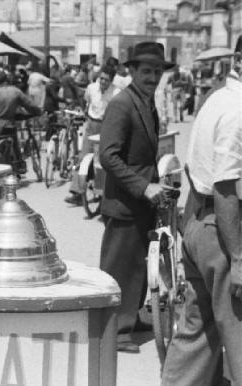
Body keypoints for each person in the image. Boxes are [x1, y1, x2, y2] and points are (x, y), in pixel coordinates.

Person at [156, 42, 242, 386]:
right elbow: (226, 188)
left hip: (200, 224)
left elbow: (194, 169)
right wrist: (238, 258)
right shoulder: (238, 110)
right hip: (225, 231)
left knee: (195, 334)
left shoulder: (216, 100)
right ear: (239, 61)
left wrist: (189, 230)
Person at [98, 42, 175, 353]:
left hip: (143, 199)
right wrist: (143, 187)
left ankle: (131, 317)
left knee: (142, 263)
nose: (152, 77)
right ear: (130, 71)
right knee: (120, 266)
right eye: (146, 71)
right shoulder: (122, 104)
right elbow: (108, 156)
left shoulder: (147, 102)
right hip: (126, 200)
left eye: (157, 72)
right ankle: (115, 331)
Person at [65, 64, 120, 205]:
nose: (102, 82)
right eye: (101, 78)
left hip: (107, 126)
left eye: (106, 80)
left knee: (103, 160)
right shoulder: (91, 88)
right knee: (83, 156)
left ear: (111, 81)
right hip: (91, 124)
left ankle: (103, 191)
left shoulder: (117, 93)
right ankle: (77, 192)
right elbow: (86, 101)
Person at [0, 71, 42, 164]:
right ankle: (19, 163)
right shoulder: (15, 91)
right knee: (14, 143)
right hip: (10, 124)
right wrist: (38, 112)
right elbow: (29, 105)